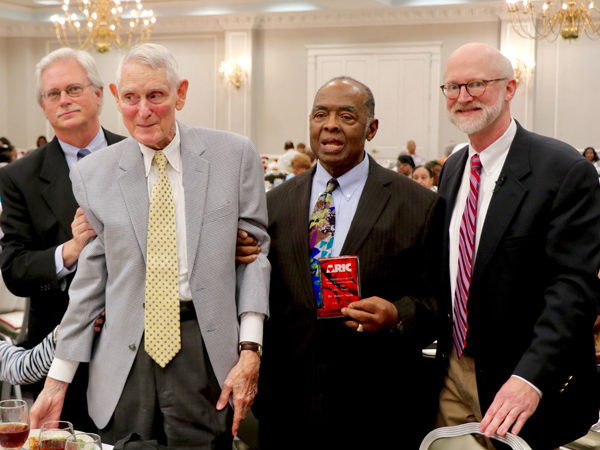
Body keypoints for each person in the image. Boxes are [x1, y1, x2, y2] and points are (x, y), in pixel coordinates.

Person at [30, 43, 270, 449]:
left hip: (202, 347)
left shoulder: (233, 155)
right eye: (131, 97)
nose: (143, 110)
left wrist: (250, 349)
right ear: (116, 96)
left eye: (156, 95)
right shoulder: (93, 175)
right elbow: (89, 282)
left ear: (180, 93)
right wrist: (57, 381)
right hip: (124, 358)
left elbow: (254, 258)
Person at [238, 76, 443, 449]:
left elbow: (438, 303)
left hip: (378, 409)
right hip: (288, 407)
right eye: (320, 114)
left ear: (371, 128)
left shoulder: (418, 205)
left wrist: (397, 315)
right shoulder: (274, 205)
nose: (329, 124)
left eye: (346, 116)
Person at [436, 42, 600, 450]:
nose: (463, 97)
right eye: (452, 87)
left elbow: (573, 290)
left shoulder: (563, 170)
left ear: (510, 88)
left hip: (523, 383)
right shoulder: (454, 167)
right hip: (453, 373)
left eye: (476, 84)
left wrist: (530, 379)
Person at [0, 47, 124, 431]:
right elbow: (15, 271)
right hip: (58, 350)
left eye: (74, 88)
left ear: (99, 94)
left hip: (135, 345)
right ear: (43, 106)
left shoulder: (136, 154)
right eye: (53, 94)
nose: (64, 100)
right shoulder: (20, 176)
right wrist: (68, 252)